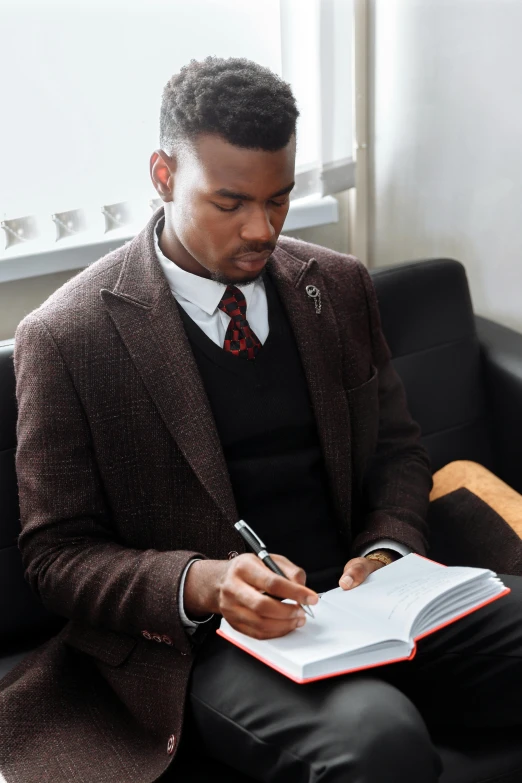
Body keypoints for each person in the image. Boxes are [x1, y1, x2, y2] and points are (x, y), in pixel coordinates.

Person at [1, 56, 522, 783]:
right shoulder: (67, 336)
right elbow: (56, 555)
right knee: (377, 742)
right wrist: (207, 581)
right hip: (215, 642)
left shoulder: (337, 287)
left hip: (367, 605)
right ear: (162, 175)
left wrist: (386, 550)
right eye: (229, 203)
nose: (262, 228)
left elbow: (399, 454)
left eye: (278, 199)